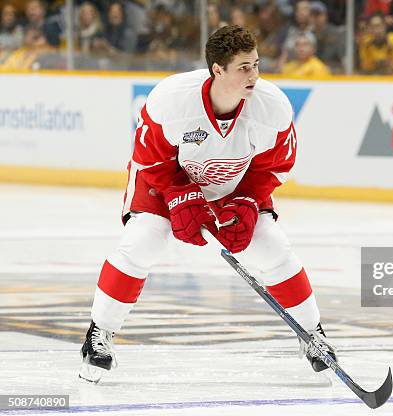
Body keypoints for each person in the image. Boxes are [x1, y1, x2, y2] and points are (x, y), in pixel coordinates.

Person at [79, 25, 336, 384]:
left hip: (235, 184)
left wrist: (248, 199)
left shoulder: (272, 107)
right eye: (244, 68)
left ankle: (313, 334)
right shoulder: (172, 99)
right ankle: (99, 334)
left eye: (257, 64)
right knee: (144, 241)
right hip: (164, 180)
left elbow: (274, 166)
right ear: (217, 69)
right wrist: (180, 194)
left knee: (273, 248)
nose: (254, 75)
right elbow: (150, 161)